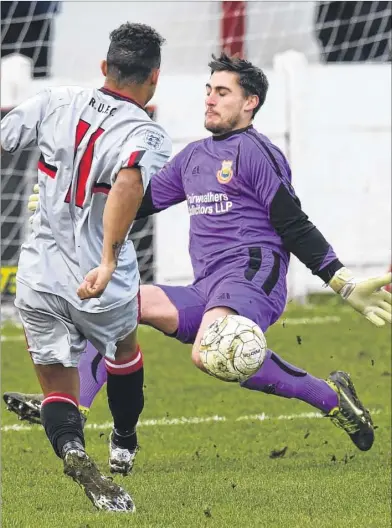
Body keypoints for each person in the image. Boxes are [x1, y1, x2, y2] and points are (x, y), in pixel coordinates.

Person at [5, 53, 391, 463]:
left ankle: (327, 397)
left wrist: (342, 282)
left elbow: (293, 223)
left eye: (222, 92)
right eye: (208, 91)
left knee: (211, 350)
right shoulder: (193, 157)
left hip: (252, 275)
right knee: (120, 306)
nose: (209, 100)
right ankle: (74, 404)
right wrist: (71, 202)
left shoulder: (257, 153)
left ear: (250, 102)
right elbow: (136, 200)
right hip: (206, 286)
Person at [1, 22, 171, 512]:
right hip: (100, 280)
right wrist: (108, 259)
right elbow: (128, 183)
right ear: (153, 78)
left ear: (105, 67)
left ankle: (74, 451)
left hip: (38, 276)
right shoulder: (147, 133)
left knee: (57, 383)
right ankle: (123, 438)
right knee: (123, 350)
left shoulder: (57, 100)